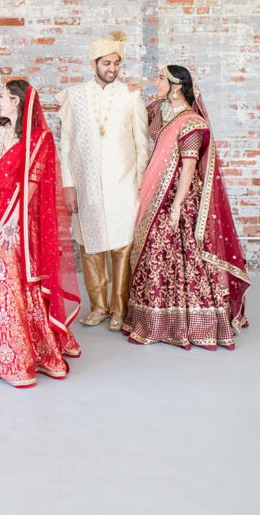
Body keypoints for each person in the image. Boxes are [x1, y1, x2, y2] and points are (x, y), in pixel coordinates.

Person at [0, 81, 80, 387]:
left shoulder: (39, 140)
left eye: (2, 97)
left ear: (16, 101)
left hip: (16, 220)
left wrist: (12, 220)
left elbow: (32, 184)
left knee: (10, 274)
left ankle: (17, 353)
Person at [123, 65, 249, 350]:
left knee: (182, 254)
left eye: (160, 79)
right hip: (157, 190)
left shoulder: (192, 122)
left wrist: (178, 206)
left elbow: (190, 166)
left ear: (177, 85)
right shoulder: (162, 111)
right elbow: (144, 121)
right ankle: (153, 317)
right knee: (155, 252)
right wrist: (132, 96)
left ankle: (189, 321)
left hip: (178, 194)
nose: (155, 83)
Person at [57, 30, 150, 330]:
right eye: (106, 63)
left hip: (123, 184)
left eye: (116, 64)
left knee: (122, 246)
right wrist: (68, 184)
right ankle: (98, 307)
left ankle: (119, 310)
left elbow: (141, 143)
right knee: (91, 245)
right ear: (93, 63)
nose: (112, 69)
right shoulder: (74, 96)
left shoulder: (131, 95)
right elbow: (66, 144)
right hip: (87, 185)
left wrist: (141, 183)